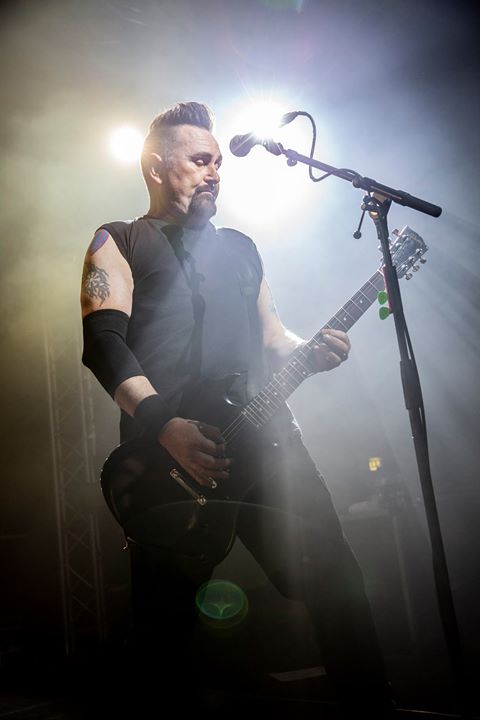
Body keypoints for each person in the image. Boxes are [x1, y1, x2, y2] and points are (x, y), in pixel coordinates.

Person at [80, 101, 395, 717]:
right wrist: (163, 425)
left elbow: (275, 338)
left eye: (219, 162)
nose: (214, 172)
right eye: (200, 160)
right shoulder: (118, 240)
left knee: (338, 583)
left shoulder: (242, 248)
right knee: (166, 631)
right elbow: (103, 345)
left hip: (269, 441)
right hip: (169, 457)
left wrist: (311, 351)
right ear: (155, 167)